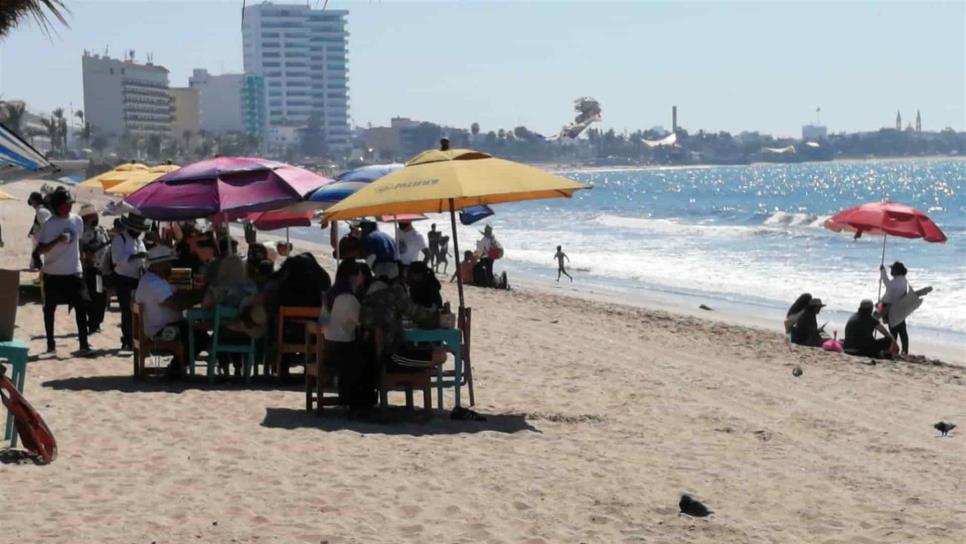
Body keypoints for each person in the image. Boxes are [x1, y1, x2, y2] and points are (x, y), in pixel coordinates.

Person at [34, 190, 92, 355]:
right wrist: (58, 240)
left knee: (81, 308)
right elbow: (40, 250)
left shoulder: (77, 220)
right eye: (64, 205)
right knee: (49, 310)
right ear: (56, 207)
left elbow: (77, 243)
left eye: (70, 204)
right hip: (53, 273)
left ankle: (84, 344)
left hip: (74, 272)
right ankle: (51, 344)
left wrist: (83, 260)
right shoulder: (49, 224)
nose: (68, 207)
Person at [134, 246, 206, 375]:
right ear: (158, 265)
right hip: (161, 330)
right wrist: (198, 297)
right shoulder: (153, 283)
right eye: (167, 263)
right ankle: (176, 367)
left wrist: (195, 285)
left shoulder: (155, 278)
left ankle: (176, 366)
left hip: (163, 326)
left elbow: (184, 282)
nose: (170, 266)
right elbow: (176, 305)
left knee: (198, 332)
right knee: (200, 336)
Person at [360, 262, 439, 375]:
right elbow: (420, 316)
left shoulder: (366, 295)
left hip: (366, 357)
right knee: (440, 355)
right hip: (390, 358)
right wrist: (437, 318)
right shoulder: (394, 294)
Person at [319, 259, 371, 409]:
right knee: (369, 355)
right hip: (343, 349)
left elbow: (322, 322)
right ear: (352, 277)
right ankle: (358, 401)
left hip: (327, 347)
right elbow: (362, 322)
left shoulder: (329, 295)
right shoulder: (349, 298)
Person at [111, 213, 151, 351]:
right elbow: (116, 259)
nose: (139, 232)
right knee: (126, 310)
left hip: (137, 279)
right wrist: (134, 256)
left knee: (139, 310)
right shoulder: (119, 238)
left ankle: (137, 337)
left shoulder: (139, 241)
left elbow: (144, 257)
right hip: (123, 278)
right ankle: (127, 339)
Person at [78, 204, 111, 334]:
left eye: (96, 215)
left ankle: (96, 322)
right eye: (92, 215)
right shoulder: (82, 233)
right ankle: (92, 323)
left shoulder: (102, 230)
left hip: (102, 269)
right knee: (93, 296)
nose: (96, 217)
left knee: (101, 297)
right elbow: (81, 249)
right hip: (90, 270)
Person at [879, 262, 911, 355]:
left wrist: (882, 272)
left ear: (896, 271)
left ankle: (893, 350)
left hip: (892, 308)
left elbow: (887, 284)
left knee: (894, 332)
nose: (891, 271)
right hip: (900, 308)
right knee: (902, 331)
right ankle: (904, 350)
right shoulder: (903, 280)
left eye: (892, 269)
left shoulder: (897, 281)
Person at [27, 191, 51, 270]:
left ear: (35, 201)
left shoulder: (41, 211)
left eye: (32, 201)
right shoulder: (41, 210)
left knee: (37, 253)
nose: (32, 204)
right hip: (38, 236)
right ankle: (34, 266)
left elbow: (46, 226)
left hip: (41, 237)